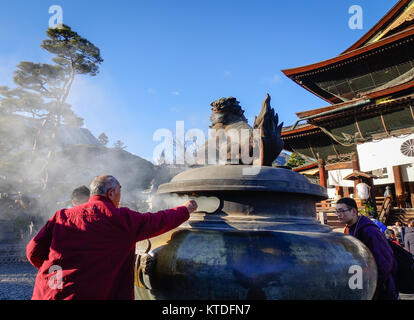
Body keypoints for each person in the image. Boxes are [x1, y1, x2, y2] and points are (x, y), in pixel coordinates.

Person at [26, 175, 198, 300]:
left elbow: (33, 251)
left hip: (49, 292)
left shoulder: (62, 215)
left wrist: (54, 270)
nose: (119, 199)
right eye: (119, 193)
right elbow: (158, 221)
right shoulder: (121, 219)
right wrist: (185, 209)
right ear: (110, 193)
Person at [336, 197, 398, 300]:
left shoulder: (369, 231)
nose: (339, 215)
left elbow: (385, 261)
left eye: (342, 211)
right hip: (361, 282)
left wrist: (374, 283)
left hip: (379, 287)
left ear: (354, 211)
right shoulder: (349, 229)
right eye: (337, 211)